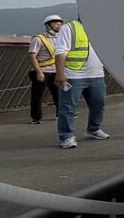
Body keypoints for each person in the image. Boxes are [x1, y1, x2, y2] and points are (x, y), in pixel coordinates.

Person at [53, 17, 111, 149]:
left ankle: (93, 129)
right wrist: (60, 73)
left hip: (96, 74)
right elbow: (60, 51)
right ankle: (66, 136)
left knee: (99, 104)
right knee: (67, 107)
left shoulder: (100, 28)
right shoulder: (69, 28)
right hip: (73, 75)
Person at [26, 14, 63, 124]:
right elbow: (32, 55)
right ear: (47, 26)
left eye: (60, 24)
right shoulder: (39, 39)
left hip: (55, 71)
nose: (58, 26)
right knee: (37, 95)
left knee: (58, 94)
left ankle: (60, 114)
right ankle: (36, 117)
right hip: (42, 71)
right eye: (55, 24)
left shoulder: (60, 39)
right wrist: (38, 72)